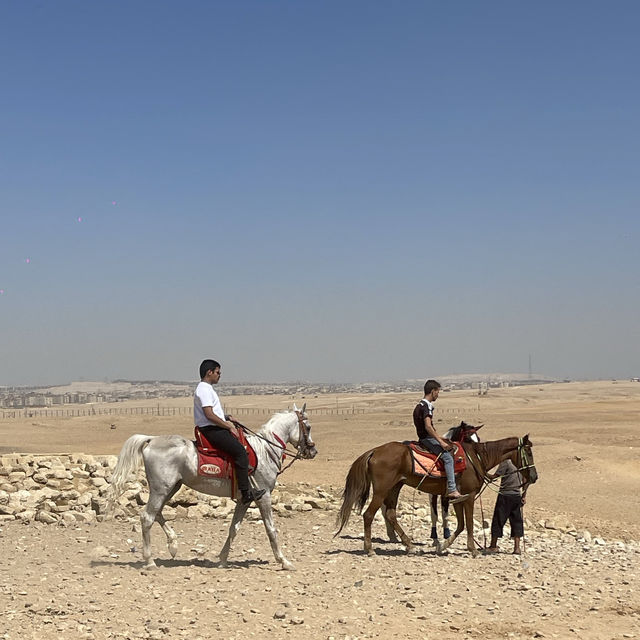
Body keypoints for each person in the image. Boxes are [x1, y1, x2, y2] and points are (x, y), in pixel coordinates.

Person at [194, 359, 265, 505]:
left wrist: (227, 417)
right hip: (212, 430)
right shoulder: (204, 389)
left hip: (213, 426)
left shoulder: (206, 388)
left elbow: (213, 413)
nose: (220, 375)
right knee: (240, 452)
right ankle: (245, 493)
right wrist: (228, 426)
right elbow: (209, 415)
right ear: (210, 372)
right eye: (218, 372)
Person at [412, 379, 467, 503]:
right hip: (427, 439)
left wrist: (442, 438)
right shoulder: (427, 407)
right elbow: (428, 426)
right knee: (448, 458)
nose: (438, 395)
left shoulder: (419, 405)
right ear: (433, 391)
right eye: (437, 392)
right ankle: (452, 489)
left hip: (424, 437)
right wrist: (440, 442)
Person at [486, 458, 525, 554]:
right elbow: (525, 480)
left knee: (498, 520)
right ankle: (517, 548)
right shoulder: (521, 463)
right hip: (517, 496)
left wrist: (483, 473)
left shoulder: (506, 462)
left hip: (505, 495)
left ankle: (493, 546)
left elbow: (494, 477)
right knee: (517, 521)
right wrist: (524, 496)